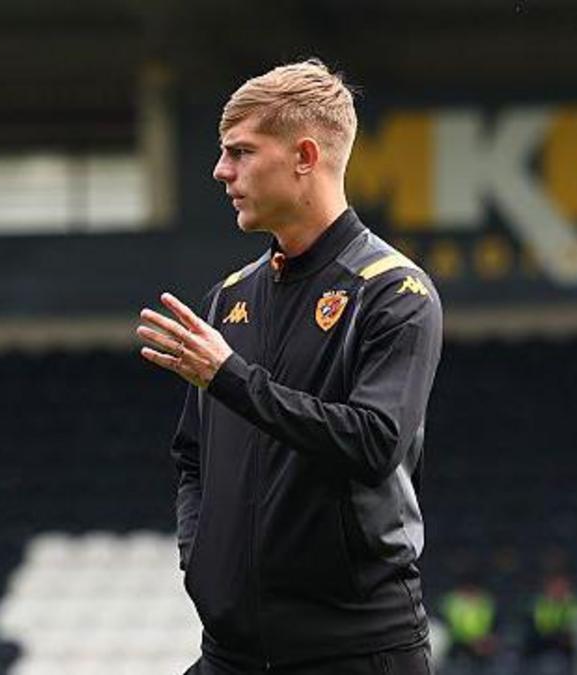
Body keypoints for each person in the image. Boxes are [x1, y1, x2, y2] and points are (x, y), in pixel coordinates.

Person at [137, 59, 442, 674]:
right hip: (231, 653)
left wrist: (230, 377)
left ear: (304, 156)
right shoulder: (228, 298)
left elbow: (374, 442)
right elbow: (192, 458)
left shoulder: (393, 292)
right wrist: (202, 561)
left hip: (354, 649)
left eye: (240, 152)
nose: (221, 170)